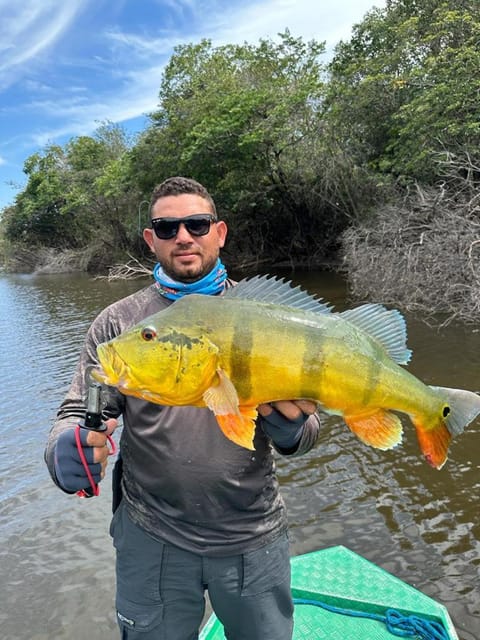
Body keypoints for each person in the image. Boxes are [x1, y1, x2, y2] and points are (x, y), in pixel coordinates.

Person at [45, 176, 321, 640]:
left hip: (252, 536)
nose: (184, 237)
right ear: (151, 239)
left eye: (197, 223)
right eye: (167, 227)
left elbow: (308, 432)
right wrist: (65, 450)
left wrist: (291, 430)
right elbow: (80, 408)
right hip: (151, 536)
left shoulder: (269, 319)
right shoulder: (118, 323)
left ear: (220, 232)